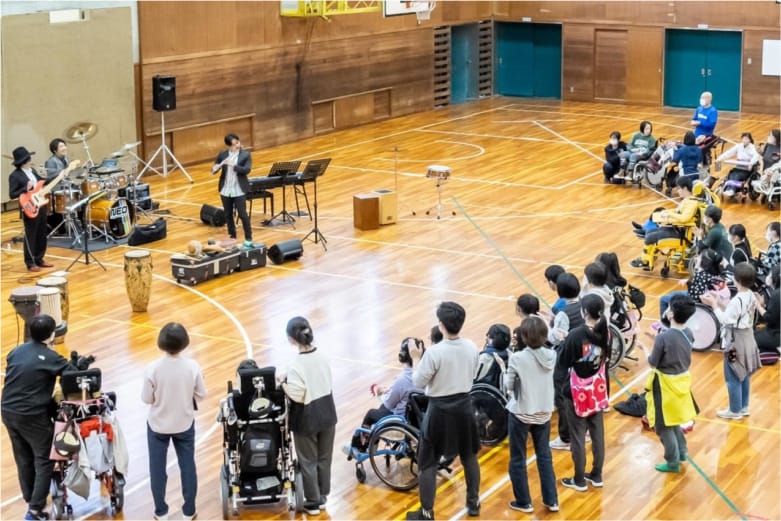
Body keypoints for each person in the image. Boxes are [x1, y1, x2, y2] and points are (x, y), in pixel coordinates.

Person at [407, 301, 480, 520]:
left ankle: (427, 512)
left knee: (428, 462)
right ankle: (473, 502)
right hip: (465, 406)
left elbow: (418, 381)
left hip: (439, 410)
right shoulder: (471, 347)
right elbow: (474, 372)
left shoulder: (435, 353)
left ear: (441, 325)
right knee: (469, 456)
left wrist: (416, 358)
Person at [1, 315, 75, 520]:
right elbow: (71, 374)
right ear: (52, 334)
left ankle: (29, 497)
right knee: (44, 459)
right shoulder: (52, 358)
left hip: (7, 410)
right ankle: (34, 510)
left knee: (23, 456)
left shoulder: (16, 351)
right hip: (32, 415)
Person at [141, 322, 206, 521]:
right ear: (185, 342)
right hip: (184, 423)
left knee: (157, 469)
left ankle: (161, 512)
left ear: (160, 342)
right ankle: (189, 511)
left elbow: (146, 399)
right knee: (187, 466)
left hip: (158, 425)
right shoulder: (193, 366)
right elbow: (202, 394)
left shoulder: (152, 368)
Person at [280, 316, 337, 516]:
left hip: (307, 416)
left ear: (291, 339)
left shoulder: (296, 364)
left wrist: (283, 384)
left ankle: (312, 501)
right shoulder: (323, 355)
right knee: (324, 458)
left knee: (308, 460)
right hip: (328, 411)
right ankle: (322, 496)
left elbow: (297, 394)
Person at [556, 294, 610, 492]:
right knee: (597, 432)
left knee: (578, 436)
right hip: (597, 388)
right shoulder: (607, 331)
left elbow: (563, 363)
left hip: (577, 391)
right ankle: (596, 474)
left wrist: (564, 342)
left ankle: (579, 479)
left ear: (584, 312)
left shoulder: (576, 335)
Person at [505, 316, 559, 513]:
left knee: (517, 458)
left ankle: (523, 501)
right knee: (544, 456)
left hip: (521, 413)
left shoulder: (517, 358)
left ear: (523, 337)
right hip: (544, 411)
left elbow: (508, 386)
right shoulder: (551, 356)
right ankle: (552, 499)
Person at [701, 263, 761, 420]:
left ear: (737, 280)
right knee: (745, 373)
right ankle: (743, 406)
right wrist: (719, 302)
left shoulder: (737, 300)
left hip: (735, 341)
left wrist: (714, 305)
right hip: (748, 338)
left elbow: (726, 320)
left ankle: (734, 410)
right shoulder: (750, 295)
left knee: (732, 374)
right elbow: (734, 311)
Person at [646, 295, 698, 473]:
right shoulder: (689, 333)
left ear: (671, 314)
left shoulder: (663, 337)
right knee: (674, 419)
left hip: (665, 385)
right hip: (682, 382)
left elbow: (653, 362)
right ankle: (682, 452)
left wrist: (646, 348)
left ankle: (672, 461)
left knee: (662, 425)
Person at [346, 337, 425, 453]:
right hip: (420, 421)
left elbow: (389, 403)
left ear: (402, 356)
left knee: (371, 414)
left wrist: (381, 392)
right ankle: (373, 441)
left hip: (402, 424)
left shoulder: (402, 380)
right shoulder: (427, 375)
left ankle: (360, 446)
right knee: (382, 409)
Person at [630, 176, 699, 270]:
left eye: (679, 188)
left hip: (680, 234)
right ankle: (646, 259)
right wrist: (667, 213)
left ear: (685, 188)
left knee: (650, 237)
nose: (678, 191)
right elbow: (677, 212)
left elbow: (684, 218)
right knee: (649, 233)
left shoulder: (691, 203)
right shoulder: (687, 201)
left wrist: (670, 216)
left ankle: (645, 261)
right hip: (676, 229)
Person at [547, 273, 583, 452]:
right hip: (583, 355)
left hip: (566, 358)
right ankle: (582, 430)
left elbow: (555, 338)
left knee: (562, 396)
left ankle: (565, 437)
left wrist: (548, 326)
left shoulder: (563, 313)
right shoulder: (584, 304)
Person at [8, 146, 54, 272]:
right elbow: (12, 194)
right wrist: (25, 189)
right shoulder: (15, 176)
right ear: (24, 161)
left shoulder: (32, 171)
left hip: (40, 204)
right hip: (28, 207)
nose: (30, 160)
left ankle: (39, 258)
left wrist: (58, 176)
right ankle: (30, 262)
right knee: (31, 235)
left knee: (41, 232)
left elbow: (41, 183)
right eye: (28, 158)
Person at [211, 133, 253, 246]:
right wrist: (220, 165)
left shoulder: (245, 155)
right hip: (226, 188)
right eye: (234, 144)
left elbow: (247, 170)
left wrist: (233, 166)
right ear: (229, 146)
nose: (237, 146)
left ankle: (248, 238)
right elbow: (213, 170)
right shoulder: (223, 154)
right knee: (228, 215)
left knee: (243, 214)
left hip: (239, 189)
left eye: (238, 142)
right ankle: (232, 237)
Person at [716, 132, 760, 196]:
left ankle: (732, 190)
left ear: (750, 140)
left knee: (737, 176)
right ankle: (728, 189)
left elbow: (756, 156)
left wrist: (751, 163)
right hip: (738, 167)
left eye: (746, 139)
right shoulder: (738, 146)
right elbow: (729, 153)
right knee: (731, 175)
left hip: (746, 169)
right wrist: (719, 158)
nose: (744, 140)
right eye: (743, 139)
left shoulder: (752, 147)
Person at [754, 265, 780, 363]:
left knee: (750, 339)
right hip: (777, 330)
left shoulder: (777, 295)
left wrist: (758, 306)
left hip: (777, 334)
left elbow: (770, 318)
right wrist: (763, 305)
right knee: (757, 333)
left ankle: (774, 351)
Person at [665, 130, 702, 195]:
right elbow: (699, 161)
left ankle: (670, 186)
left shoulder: (682, 150)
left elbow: (675, 161)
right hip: (696, 174)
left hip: (685, 174)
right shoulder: (699, 149)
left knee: (673, 174)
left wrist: (666, 166)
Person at [752, 129, 781, 194]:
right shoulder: (768, 145)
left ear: (775, 137)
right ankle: (762, 183)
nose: (768, 137)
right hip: (764, 166)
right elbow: (764, 155)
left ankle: (765, 184)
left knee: (773, 172)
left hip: (773, 169)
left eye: (770, 135)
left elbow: (776, 160)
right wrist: (759, 151)